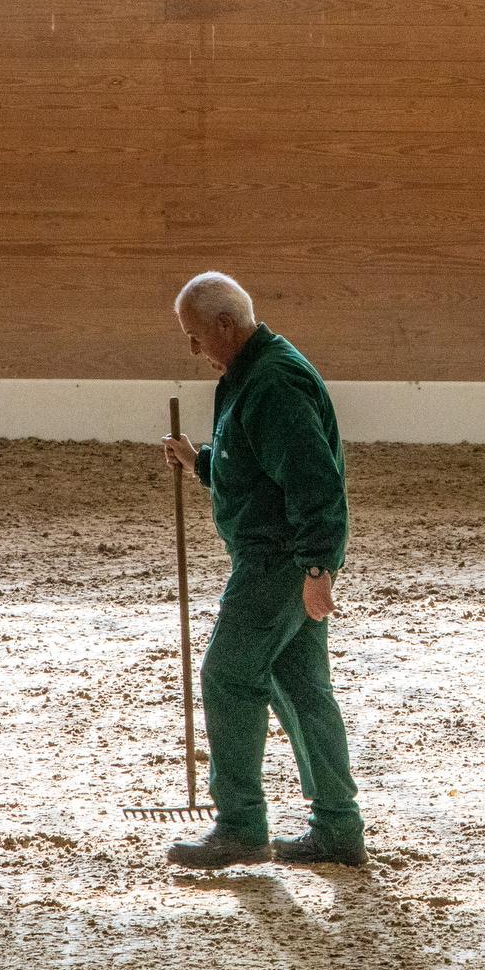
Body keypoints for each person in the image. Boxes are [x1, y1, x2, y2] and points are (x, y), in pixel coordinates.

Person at [159, 271, 366, 869]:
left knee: (227, 676)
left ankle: (242, 825)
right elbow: (256, 469)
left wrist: (319, 566)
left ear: (226, 324)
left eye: (197, 337)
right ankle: (337, 829)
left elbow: (313, 480)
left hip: (280, 562)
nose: (194, 351)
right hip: (285, 556)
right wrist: (202, 463)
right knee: (302, 690)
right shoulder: (249, 374)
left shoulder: (272, 383)